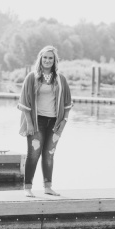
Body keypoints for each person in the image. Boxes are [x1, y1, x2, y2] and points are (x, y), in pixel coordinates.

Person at [17, 45, 72, 197]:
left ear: (55, 61)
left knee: (49, 154)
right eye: (45, 57)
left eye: (50, 58)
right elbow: (24, 102)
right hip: (36, 121)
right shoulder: (31, 77)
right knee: (33, 154)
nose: (47, 60)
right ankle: (27, 188)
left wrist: (64, 121)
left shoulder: (60, 79)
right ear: (40, 58)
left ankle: (48, 187)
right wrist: (29, 123)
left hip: (54, 122)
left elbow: (67, 103)